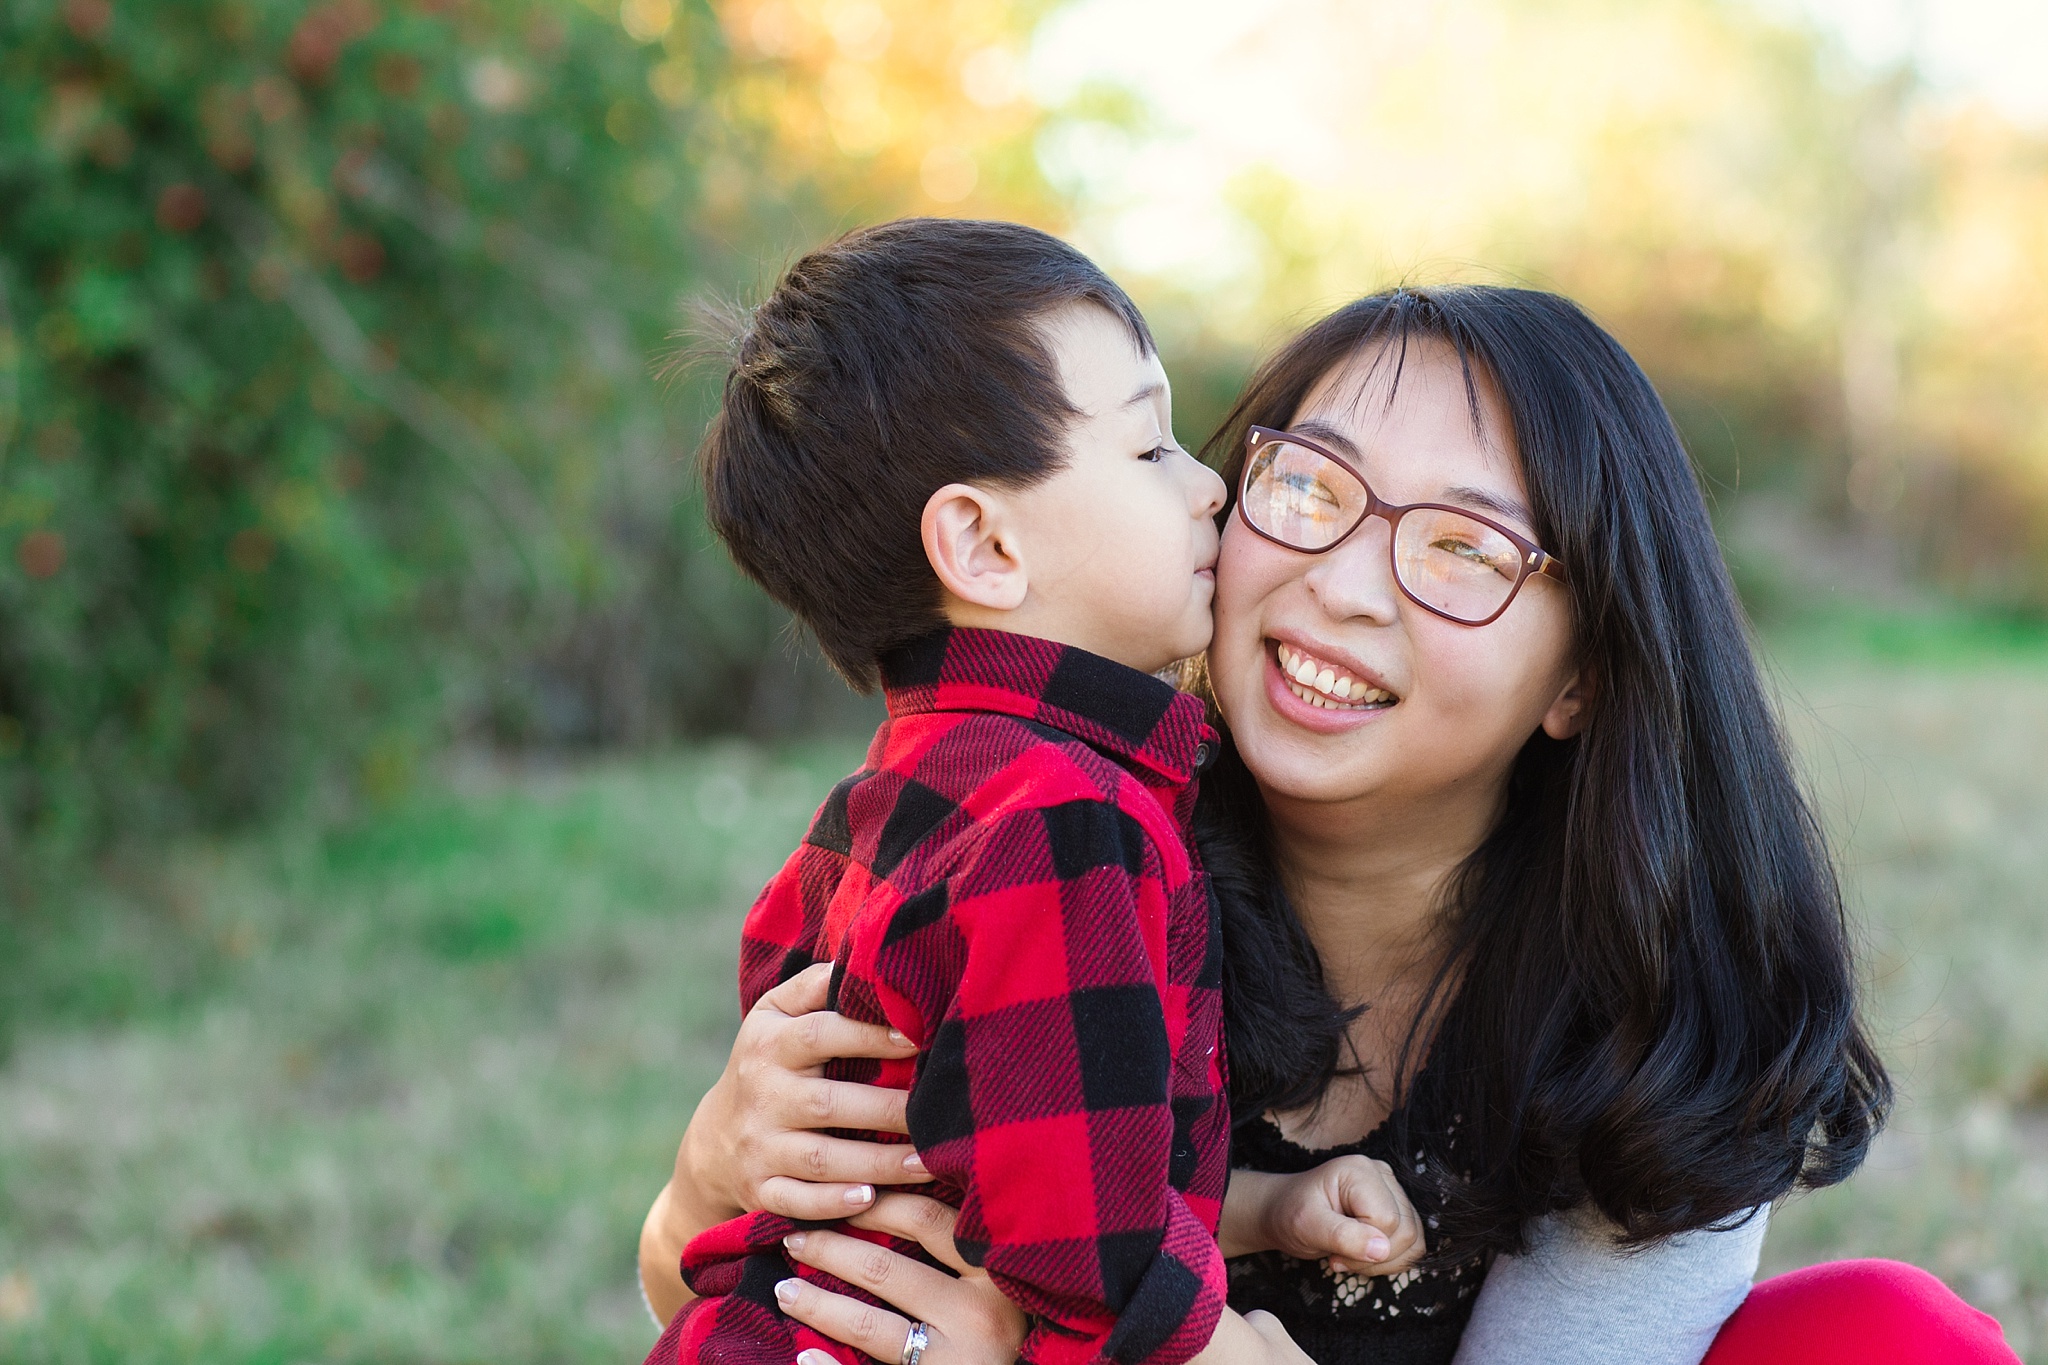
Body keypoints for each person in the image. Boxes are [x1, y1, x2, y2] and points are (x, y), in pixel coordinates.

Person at [642, 284, 2024, 1365]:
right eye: (1310, 486)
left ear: (1586, 672)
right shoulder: (1051, 852)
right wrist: (714, 1167)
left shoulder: (1650, 1011)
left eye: (1465, 548)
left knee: (1887, 1338)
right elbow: (730, 1286)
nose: (1348, 585)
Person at [649, 220, 1428, 1365]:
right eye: (1149, 449)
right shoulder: (1067, 818)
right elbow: (1077, 1250)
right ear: (981, 544)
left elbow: (1008, 1147)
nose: (1208, 487)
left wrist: (1265, 1210)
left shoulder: (886, 796)